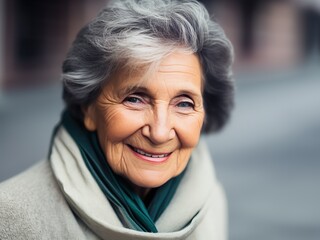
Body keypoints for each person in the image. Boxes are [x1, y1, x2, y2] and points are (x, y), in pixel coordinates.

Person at [0, 0, 234, 239]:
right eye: (135, 99)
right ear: (88, 108)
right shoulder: (12, 216)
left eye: (184, 103)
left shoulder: (211, 201)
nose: (159, 132)